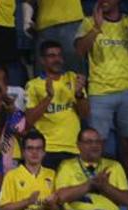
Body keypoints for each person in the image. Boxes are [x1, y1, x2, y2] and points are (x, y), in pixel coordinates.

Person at [75, 0, 128, 182]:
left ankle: (127, 185)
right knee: (97, 144)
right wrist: (96, 28)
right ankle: (99, 185)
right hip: (99, 92)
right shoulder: (89, 22)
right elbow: (79, 51)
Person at [53, 127, 128, 210]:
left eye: (98, 142)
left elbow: (126, 199)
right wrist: (90, 185)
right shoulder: (67, 166)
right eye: (89, 142)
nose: (94, 145)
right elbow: (61, 197)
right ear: (78, 145)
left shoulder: (114, 166)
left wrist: (105, 187)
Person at [24, 41, 88, 170]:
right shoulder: (33, 85)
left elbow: (85, 114)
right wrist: (48, 97)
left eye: (59, 55)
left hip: (73, 148)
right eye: (51, 56)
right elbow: (28, 122)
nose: (57, 59)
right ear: (42, 60)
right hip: (47, 149)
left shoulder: (72, 78)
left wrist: (79, 94)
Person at [34, 0, 88, 75]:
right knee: (44, 76)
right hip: (45, 24)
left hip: (70, 19)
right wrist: (27, 19)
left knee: (75, 74)